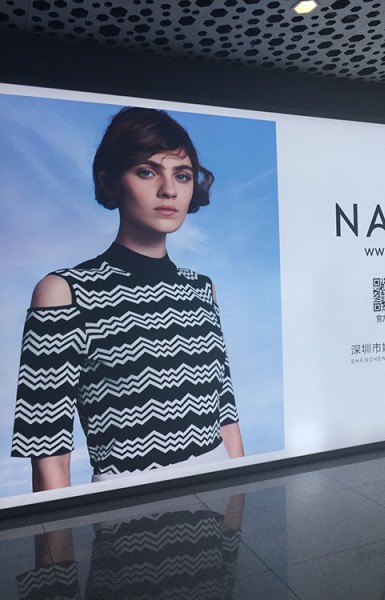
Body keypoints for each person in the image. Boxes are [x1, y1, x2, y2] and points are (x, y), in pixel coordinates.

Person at [11, 107, 244, 492]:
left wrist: (238, 515)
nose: (169, 190)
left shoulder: (203, 289)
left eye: (182, 175)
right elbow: (48, 452)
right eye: (147, 172)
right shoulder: (64, 292)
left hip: (221, 495)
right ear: (110, 180)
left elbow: (227, 419)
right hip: (127, 507)